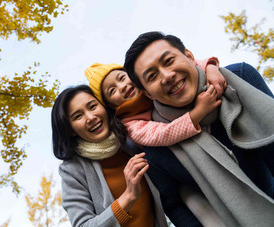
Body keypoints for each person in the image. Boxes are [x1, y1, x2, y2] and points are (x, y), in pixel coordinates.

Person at [124, 31, 274, 226]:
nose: (167, 76)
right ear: (148, 94)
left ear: (189, 56)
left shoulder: (240, 78)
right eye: (152, 76)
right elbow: (176, 206)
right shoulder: (157, 150)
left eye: (169, 61)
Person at [84, 60, 228, 226]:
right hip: (176, 169)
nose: (122, 86)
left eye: (122, 78)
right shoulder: (129, 124)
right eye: (112, 90)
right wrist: (198, 113)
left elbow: (188, 64)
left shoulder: (151, 85)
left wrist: (210, 67)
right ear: (110, 104)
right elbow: (161, 134)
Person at [51, 85, 168, 227]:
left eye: (93, 106)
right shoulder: (72, 169)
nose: (90, 117)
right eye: (78, 116)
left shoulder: (131, 141)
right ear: (71, 130)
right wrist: (129, 196)